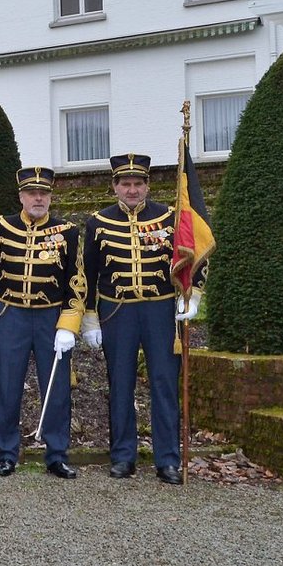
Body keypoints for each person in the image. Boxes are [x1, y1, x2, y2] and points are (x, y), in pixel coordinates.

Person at [82, 153, 197, 485]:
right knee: (120, 384)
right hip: (118, 312)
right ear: (115, 186)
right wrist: (90, 316)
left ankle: (168, 460)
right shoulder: (97, 222)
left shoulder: (169, 217)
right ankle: (122, 456)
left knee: (163, 383)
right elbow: (87, 274)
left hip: (160, 310)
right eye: (125, 184)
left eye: (138, 184)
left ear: (147, 185)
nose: (132, 190)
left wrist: (193, 293)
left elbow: (191, 257)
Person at [0, 166, 85, 479]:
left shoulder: (68, 231)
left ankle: (56, 454)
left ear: (51, 196)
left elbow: (77, 279)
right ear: (21, 196)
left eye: (44, 193)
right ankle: (5, 452)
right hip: (10, 314)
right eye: (32, 193)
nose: (38, 198)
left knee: (56, 387)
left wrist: (69, 324)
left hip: (51, 317)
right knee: (7, 385)